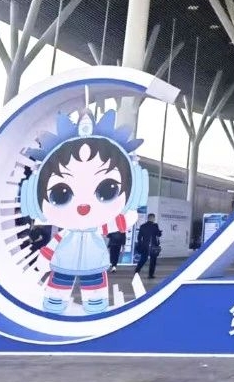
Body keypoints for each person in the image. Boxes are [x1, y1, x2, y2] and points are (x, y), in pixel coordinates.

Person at [19, 111, 147, 315]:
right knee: (59, 287)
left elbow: (118, 223)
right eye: (61, 194)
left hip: (93, 265)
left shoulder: (96, 228)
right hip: (64, 264)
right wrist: (45, 256)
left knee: (94, 290)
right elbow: (56, 241)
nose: (83, 206)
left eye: (107, 190)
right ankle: (55, 301)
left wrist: (126, 218)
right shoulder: (67, 233)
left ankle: (94, 303)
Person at [134, 214, 162, 279]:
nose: (154, 219)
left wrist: (141, 244)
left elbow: (139, 237)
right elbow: (159, 234)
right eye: (154, 218)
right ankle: (150, 275)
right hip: (153, 246)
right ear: (152, 218)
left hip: (145, 246)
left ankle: (137, 270)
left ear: (148, 218)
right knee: (153, 261)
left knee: (143, 259)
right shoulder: (155, 226)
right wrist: (159, 232)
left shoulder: (142, 226)